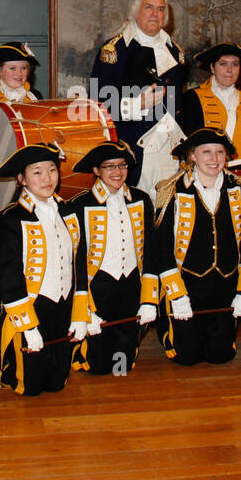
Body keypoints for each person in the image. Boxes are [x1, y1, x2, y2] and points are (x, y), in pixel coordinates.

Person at [153, 128, 241, 366]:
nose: (214, 159)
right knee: (186, 356)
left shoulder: (240, 189)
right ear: (192, 156)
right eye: (207, 152)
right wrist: (177, 295)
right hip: (187, 285)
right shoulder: (172, 190)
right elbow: (162, 248)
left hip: (225, 285)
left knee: (221, 355)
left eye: (220, 152)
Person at [0, 143, 85, 395]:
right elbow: (8, 276)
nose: (47, 178)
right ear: (21, 179)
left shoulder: (69, 211)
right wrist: (27, 325)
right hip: (31, 306)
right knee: (29, 386)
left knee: (57, 383)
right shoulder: (9, 218)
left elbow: (80, 264)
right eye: (37, 172)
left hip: (63, 304)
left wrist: (80, 313)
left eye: (52, 170)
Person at [64, 140, 159, 376]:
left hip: (131, 283)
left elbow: (150, 250)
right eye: (109, 167)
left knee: (123, 362)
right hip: (98, 287)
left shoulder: (141, 199)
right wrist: (84, 310)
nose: (118, 172)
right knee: (97, 364)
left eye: (122, 165)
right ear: (96, 170)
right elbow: (74, 260)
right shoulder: (78, 204)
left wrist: (149, 297)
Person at [91, 0, 186, 195]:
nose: (155, 14)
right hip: (135, 149)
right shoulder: (114, 50)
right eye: (149, 7)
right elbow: (97, 106)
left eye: (161, 9)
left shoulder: (174, 51)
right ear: (136, 12)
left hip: (170, 149)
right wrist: (136, 104)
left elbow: (178, 106)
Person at [179, 42, 241, 161]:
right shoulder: (192, 98)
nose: (229, 70)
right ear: (212, 68)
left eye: (235, 64)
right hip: (207, 169)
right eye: (223, 64)